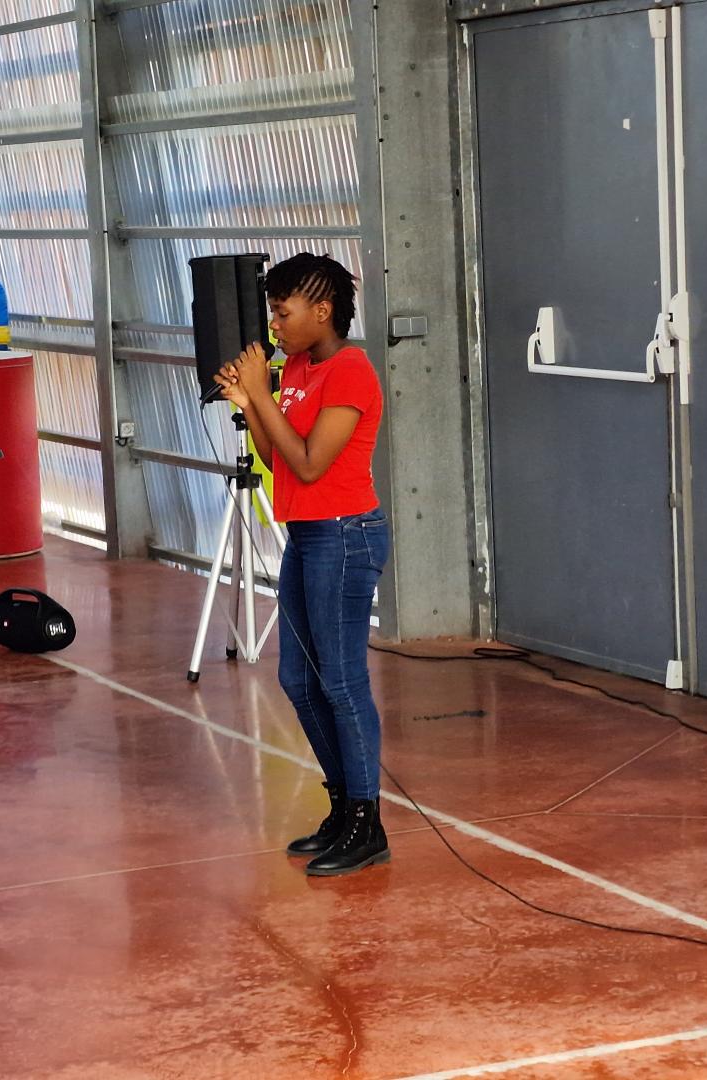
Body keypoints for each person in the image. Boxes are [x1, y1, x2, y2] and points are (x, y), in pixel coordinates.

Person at [213, 253, 390, 877]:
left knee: (341, 681)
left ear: (322, 310)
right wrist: (250, 400)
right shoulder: (294, 367)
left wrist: (263, 394)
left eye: (283, 313)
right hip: (308, 536)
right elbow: (276, 456)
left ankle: (367, 822)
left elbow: (312, 464)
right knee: (298, 679)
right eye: (272, 311)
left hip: (346, 535)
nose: (274, 324)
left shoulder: (351, 371)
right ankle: (342, 806)